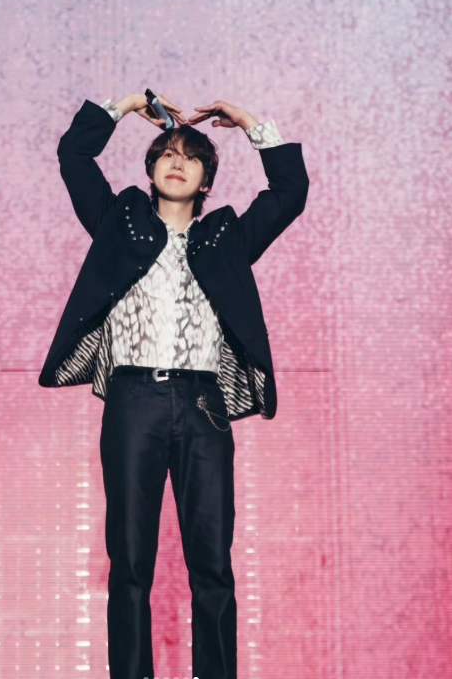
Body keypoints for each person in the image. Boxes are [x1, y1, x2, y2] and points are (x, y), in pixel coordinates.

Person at [39, 93, 309, 679]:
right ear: (151, 170)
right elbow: (74, 155)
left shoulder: (227, 237)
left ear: (206, 180)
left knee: (212, 565)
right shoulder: (119, 224)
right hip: (132, 402)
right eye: (167, 153)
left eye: (191, 156)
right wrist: (124, 106)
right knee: (129, 562)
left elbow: (290, 192)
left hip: (204, 405)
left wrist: (248, 123)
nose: (177, 161)